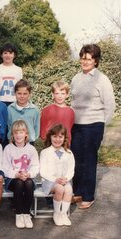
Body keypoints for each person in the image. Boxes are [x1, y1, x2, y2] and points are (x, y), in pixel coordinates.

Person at [70, 44, 116, 209]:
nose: (85, 61)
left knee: (89, 161)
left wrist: (101, 124)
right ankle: (78, 192)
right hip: (76, 126)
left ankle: (88, 195)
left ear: (96, 61)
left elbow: (110, 105)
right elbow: (73, 102)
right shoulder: (75, 78)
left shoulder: (102, 79)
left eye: (89, 59)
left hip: (94, 126)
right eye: (83, 58)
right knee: (76, 160)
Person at [3, 120, 39, 229]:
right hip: (12, 179)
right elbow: (5, 168)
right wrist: (16, 174)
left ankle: (26, 214)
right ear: (12, 135)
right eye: (16, 132)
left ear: (26, 134)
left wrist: (29, 173)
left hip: (27, 177)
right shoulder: (8, 148)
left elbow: (35, 166)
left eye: (21, 132)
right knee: (19, 183)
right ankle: (19, 214)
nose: (18, 135)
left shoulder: (31, 149)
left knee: (28, 183)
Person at [40, 124, 75, 226]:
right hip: (49, 181)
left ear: (64, 138)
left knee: (68, 189)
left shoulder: (68, 153)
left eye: (60, 136)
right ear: (50, 137)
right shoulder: (45, 152)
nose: (57, 139)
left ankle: (63, 214)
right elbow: (43, 172)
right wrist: (55, 179)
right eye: (54, 136)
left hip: (64, 180)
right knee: (59, 189)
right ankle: (56, 213)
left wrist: (66, 178)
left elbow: (71, 169)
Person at [40, 80, 74, 145]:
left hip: (65, 145)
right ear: (53, 94)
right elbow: (43, 130)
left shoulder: (71, 112)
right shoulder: (46, 110)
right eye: (57, 93)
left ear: (67, 95)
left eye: (63, 93)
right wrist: (47, 140)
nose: (60, 96)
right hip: (50, 144)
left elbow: (69, 129)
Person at [7, 79, 40, 144]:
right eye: (19, 93)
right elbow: (9, 125)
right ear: (15, 93)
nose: (22, 96)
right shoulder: (10, 108)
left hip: (29, 142)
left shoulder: (34, 110)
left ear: (29, 94)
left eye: (25, 94)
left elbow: (36, 127)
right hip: (14, 142)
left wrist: (33, 138)